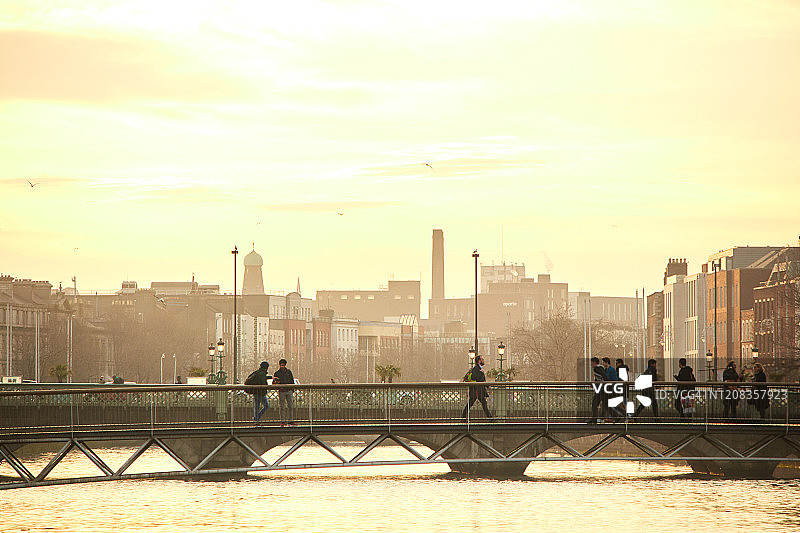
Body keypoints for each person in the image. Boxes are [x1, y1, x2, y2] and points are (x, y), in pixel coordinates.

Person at [461, 354, 493, 420]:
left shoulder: (480, 368)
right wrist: (481, 373)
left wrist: (488, 386)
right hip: (476, 390)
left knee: (477, 403)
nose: (483, 360)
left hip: (478, 390)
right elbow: (474, 377)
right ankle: (490, 418)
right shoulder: (476, 368)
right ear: (479, 361)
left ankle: (463, 417)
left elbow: (482, 380)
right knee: (476, 404)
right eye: (482, 359)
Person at [273, 359, 295, 426]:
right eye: (281, 365)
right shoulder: (277, 373)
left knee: (290, 406)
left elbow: (292, 381)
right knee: (282, 407)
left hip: (289, 391)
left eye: (283, 365)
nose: (282, 366)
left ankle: (290, 420)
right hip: (281, 391)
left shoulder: (289, 372)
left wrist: (292, 389)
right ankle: (282, 420)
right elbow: (274, 383)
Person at [589, 357, 606, 423]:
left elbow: (603, 376)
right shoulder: (601, 368)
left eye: (591, 363)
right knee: (605, 404)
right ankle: (618, 415)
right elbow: (598, 378)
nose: (591, 364)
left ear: (594, 362)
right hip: (602, 388)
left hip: (600, 388)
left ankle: (594, 419)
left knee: (594, 404)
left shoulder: (597, 368)